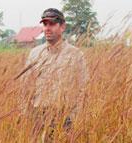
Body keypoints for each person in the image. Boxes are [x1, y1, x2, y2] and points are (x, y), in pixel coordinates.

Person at [18, 7, 89, 142]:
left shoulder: (75, 55)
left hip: (65, 119)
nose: (47, 28)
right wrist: (27, 116)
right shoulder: (34, 54)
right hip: (38, 120)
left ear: (62, 27)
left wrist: (73, 118)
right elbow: (25, 88)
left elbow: (83, 88)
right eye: (45, 24)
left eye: (52, 24)